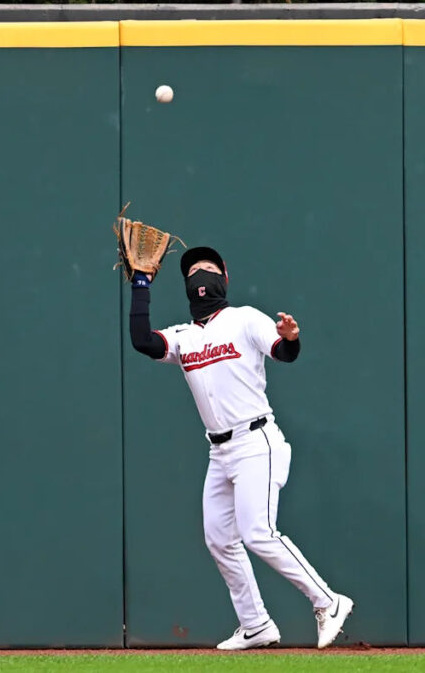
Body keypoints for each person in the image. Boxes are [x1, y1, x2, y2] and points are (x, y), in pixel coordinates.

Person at [126, 246, 354, 650]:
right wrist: (141, 285)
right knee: (219, 538)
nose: (200, 274)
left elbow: (283, 352)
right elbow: (143, 341)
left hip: (256, 441)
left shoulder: (245, 318)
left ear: (223, 276)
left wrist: (291, 339)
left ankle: (328, 601)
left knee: (257, 533)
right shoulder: (183, 336)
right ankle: (256, 624)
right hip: (220, 452)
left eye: (208, 268)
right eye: (193, 270)